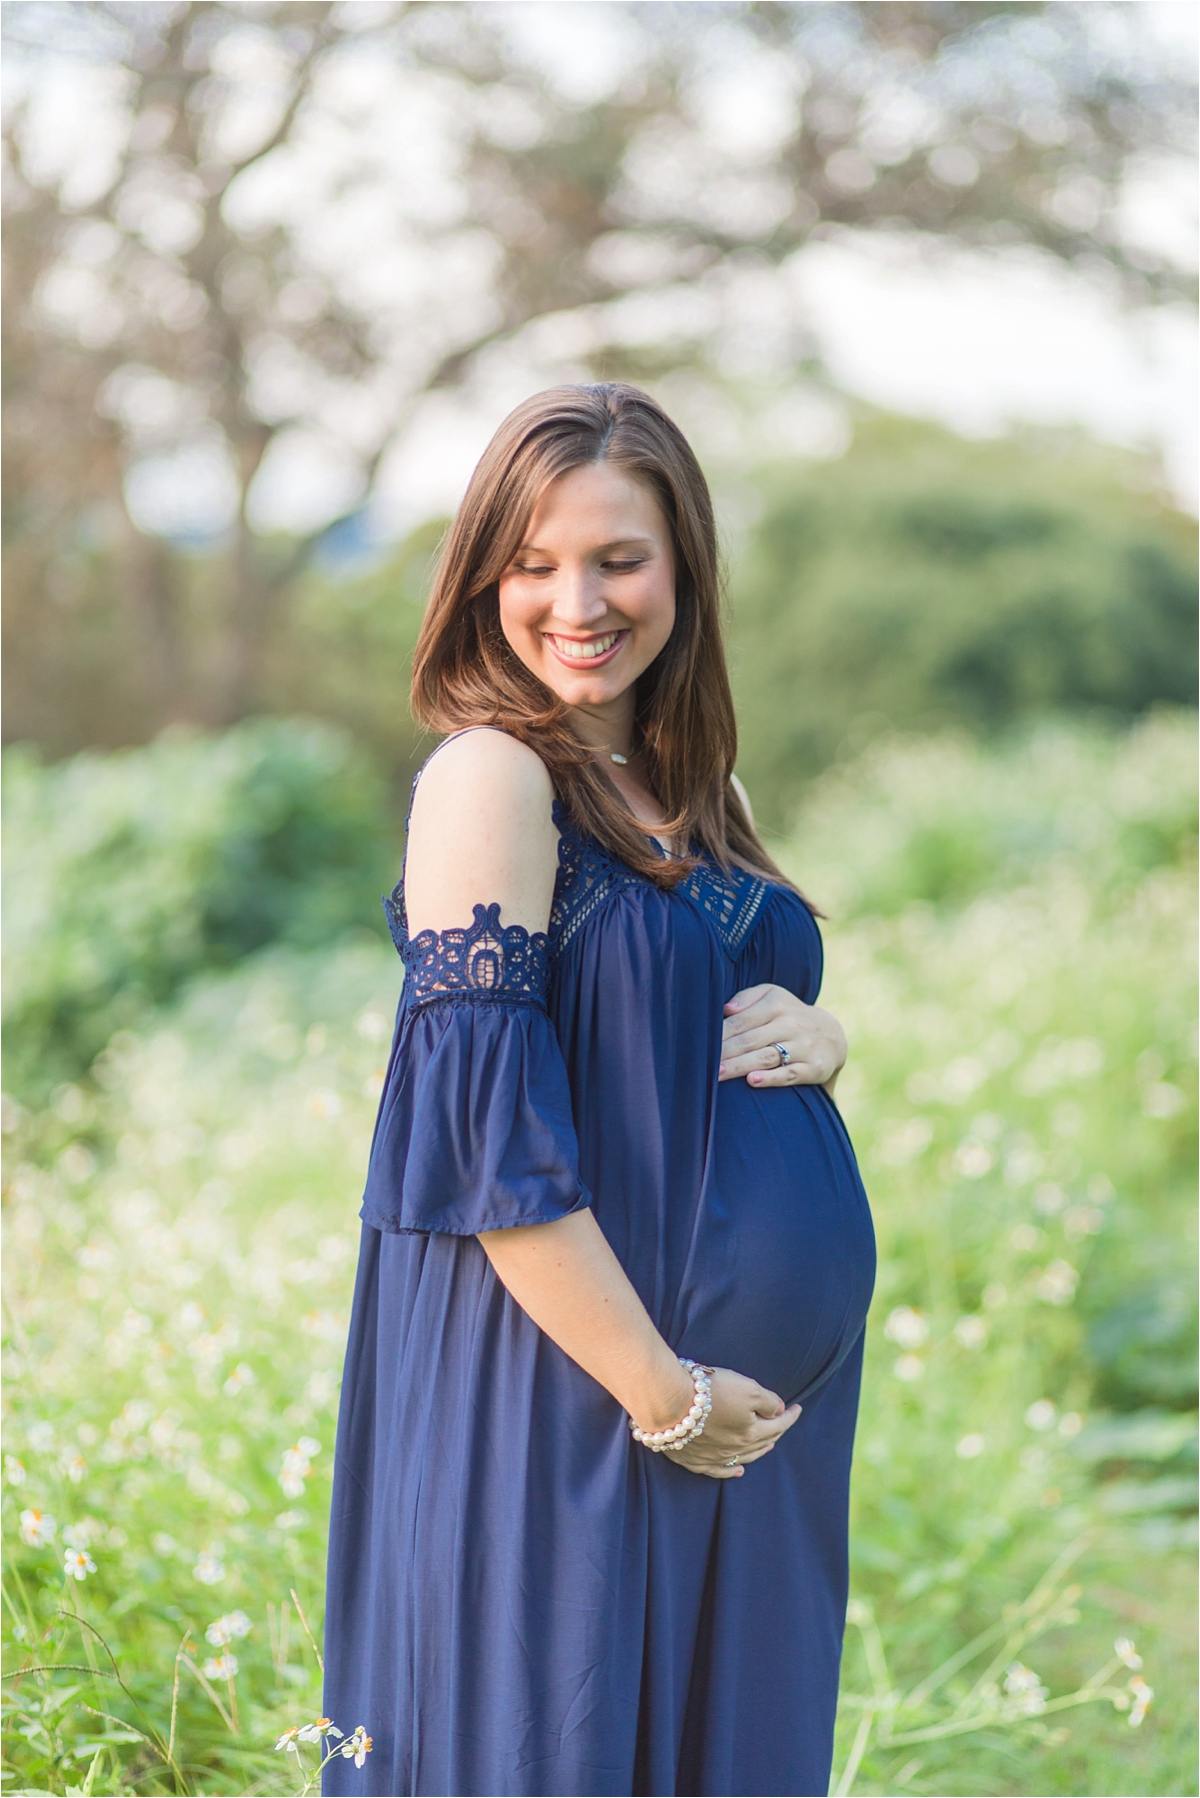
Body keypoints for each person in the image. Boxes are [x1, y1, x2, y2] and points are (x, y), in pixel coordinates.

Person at [322, 383, 875, 1798]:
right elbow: (484, 1155)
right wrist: (666, 1393)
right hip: (579, 1399)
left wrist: (823, 1037)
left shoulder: (681, 777)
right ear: (483, 577)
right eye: (535, 562)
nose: (577, 599)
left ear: (682, 562)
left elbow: (691, 1001)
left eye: (619, 558)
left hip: (729, 1431)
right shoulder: (494, 778)